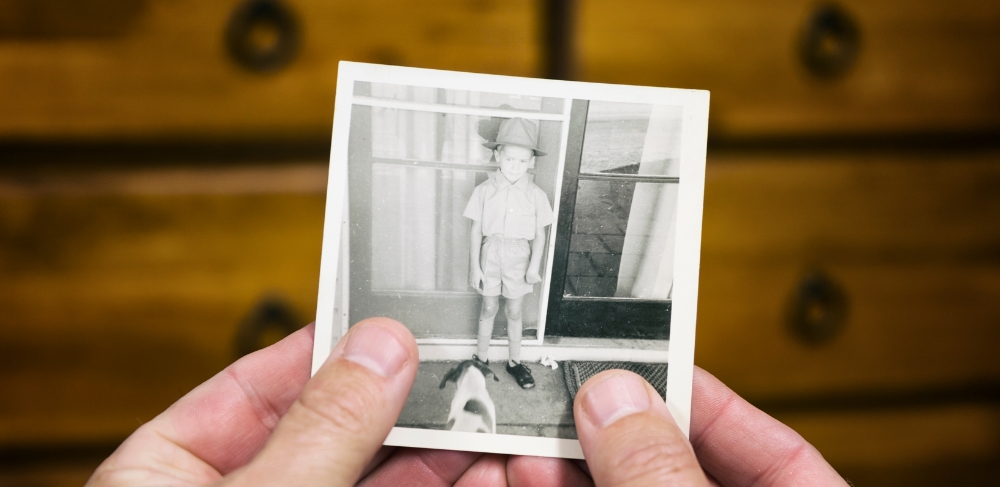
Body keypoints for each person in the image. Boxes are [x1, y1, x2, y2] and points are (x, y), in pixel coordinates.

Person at [86, 317, 850, 486]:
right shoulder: (492, 191)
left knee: (512, 328)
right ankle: (484, 365)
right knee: (491, 324)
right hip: (493, 279)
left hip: (519, 286)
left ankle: (504, 362)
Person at [463, 117, 555, 390]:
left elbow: (540, 235)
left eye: (522, 161)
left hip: (520, 257)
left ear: (531, 162)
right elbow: (475, 231)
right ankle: (480, 359)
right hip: (490, 253)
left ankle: (514, 362)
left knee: (514, 311)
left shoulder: (537, 195)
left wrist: (533, 267)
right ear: (497, 155)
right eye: (510, 159)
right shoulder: (483, 191)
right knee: (489, 306)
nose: (516, 167)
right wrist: (475, 268)